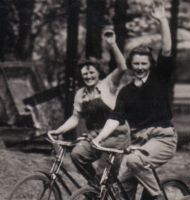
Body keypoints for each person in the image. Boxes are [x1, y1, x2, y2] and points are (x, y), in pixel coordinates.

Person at [92, 0, 177, 200]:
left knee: (133, 160)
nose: (139, 68)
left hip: (163, 138)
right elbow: (115, 118)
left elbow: (168, 50)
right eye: (136, 64)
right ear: (130, 65)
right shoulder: (126, 91)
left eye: (144, 64)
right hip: (139, 141)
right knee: (121, 181)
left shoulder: (160, 79)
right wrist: (99, 139)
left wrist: (162, 21)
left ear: (150, 64)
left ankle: (157, 196)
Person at [49, 29, 130, 187]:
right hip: (95, 136)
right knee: (77, 154)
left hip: (116, 136)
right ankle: (95, 189)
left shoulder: (109, 84)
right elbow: (75, 118)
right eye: (85, 74)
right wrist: (59, 130)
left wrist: (112, 44)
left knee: (105, 173)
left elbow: (122, 67)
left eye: (92, 73)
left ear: (98, 73)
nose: (88, 76)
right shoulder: (81, 93)